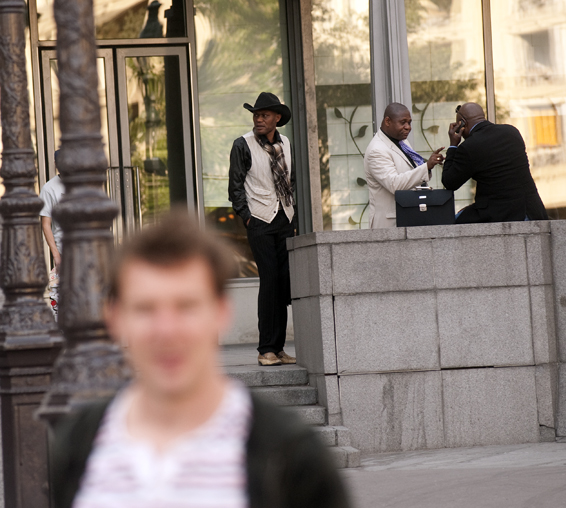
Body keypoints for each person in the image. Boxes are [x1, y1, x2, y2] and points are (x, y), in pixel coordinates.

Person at [50, 212, 351, 508]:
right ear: (115, 318)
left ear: (221, 312)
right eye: (145, 309)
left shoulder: (291, 455)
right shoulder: (77, 446)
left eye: (186, 306)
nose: (166, 331)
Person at [228, 92, 297, 367]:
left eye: (264, 115)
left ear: (277, 118)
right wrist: (247, 218)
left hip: (285, 219)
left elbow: (290, 181)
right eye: (256, 115)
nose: (258, 119)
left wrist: (294, 216)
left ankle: (278, 348)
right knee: (269, 282)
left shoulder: (286, 143)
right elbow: (235, 187)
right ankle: (265, 348)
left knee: (282, 285)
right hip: (259, 220)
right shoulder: (242, 145)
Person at [442, 102, 549, 223]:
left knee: (451, 224)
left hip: (498, 215)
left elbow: (449, 182)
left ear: (462, 123)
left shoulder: (469, 146)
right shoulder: (512, 132)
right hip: (531, 211)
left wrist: (453, 146)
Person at [364, 102, 445, 229]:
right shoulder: (377, 150)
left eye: (410, 122)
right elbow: (395, 184)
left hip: (409, 217)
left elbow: (411, 174)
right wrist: (426, 167)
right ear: (387, 121)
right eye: (403, 122)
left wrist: (427, 166)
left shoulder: (402, 142)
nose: (408, 127)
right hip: (390, 225)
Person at [40, 149, 66, 318]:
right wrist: (55, 254)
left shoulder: (82, 185)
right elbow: (46, 223)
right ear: (56, 164)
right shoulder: (49, 188)